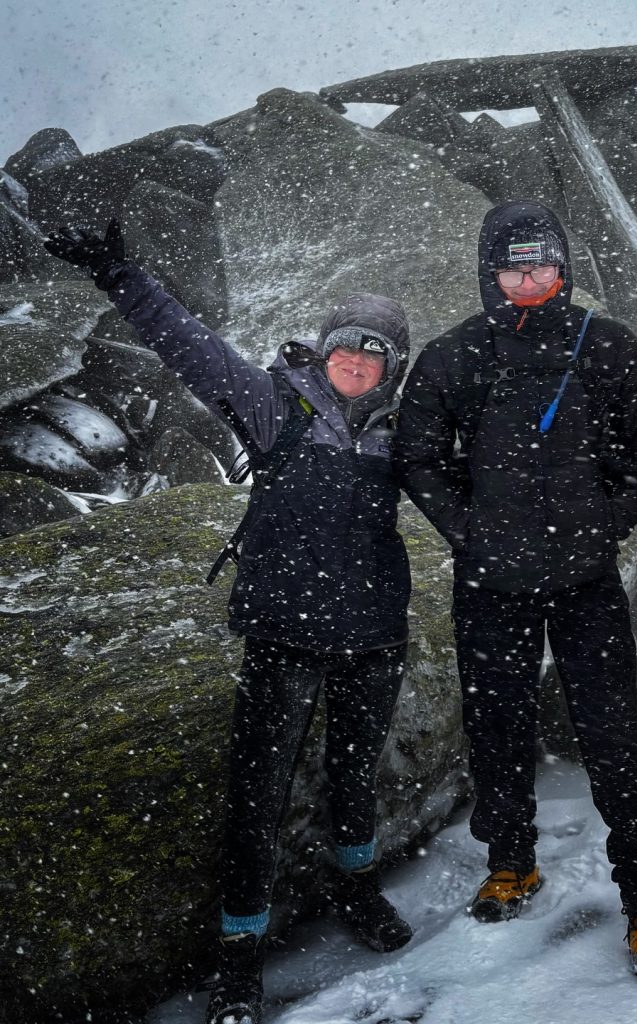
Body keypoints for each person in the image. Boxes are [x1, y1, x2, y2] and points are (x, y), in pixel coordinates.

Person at [45, 220, 414, 1024]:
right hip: (284, 631)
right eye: (343, 345)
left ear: (394, 366)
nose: (355, 359)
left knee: (356, 778)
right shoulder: (273, 404)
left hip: (374, 635)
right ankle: (239, 953)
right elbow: (188, 344)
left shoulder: (406, 432)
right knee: (256, 795)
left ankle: (355, 888)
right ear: (322, 350)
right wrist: (119, 270)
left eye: (374, 350)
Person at [396, 199, 637, 977]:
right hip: (492, 582)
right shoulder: (457, 353)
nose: (530, 278)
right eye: (515, 265)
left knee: (614, 737)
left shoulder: (606, 344)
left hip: (584, 579)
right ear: (491, 271)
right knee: (497, 727)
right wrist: (469, 526)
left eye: (543, 264)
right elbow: (417, 451)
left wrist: (611, 519)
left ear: (563, 268)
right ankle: (511, 861)